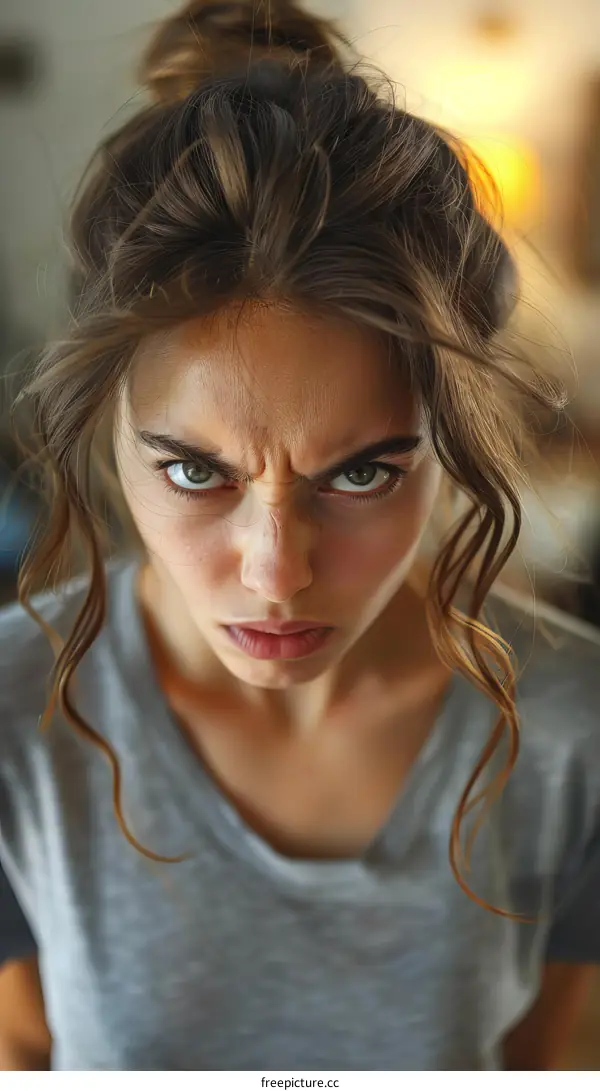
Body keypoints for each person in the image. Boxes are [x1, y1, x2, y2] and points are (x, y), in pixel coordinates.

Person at [1, 0, 599, 1073]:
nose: (277, 571)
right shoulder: (12, 724)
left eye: (361, 472)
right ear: (107, 436)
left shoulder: (575, 731)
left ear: (453, 445)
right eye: (196, 471)